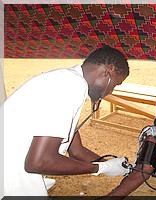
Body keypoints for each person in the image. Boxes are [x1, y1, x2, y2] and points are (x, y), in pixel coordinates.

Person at [2, 46, 131, 196]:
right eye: (115, 84)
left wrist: (115, 166)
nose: (111, 91)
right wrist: (100, 168)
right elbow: (39, 161)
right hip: (9, 182)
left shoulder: (65, 80)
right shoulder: (70, 85)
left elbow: (76, 151)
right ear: (108, 71)